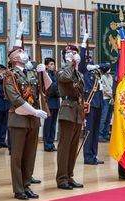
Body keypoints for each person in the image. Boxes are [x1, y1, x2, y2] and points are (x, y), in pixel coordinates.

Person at [3, 22, 49, 200]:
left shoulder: (31, 73)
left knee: (30, 155)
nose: (24, 53)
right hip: (19, 118)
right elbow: (16, 99)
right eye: (20, 51)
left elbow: (47, 89)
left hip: (32, 119)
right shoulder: (10, 74)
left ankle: (27, 184)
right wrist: (35, 111)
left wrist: (43, 72)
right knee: (18, 156)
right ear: (14, 58)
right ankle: (19, 189)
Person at [56, 44, 88, 190]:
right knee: (64, 147)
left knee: (73, 146)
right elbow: (66, 78)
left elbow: (81, 92)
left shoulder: (79, 74)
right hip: (67, 111)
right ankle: (62, 179)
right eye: (71, 53)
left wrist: (84, 109)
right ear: (66, 56)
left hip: (77, 111)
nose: (75, 55)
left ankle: (69, 176)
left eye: (76, 53)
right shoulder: (62, 71)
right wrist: (69, 63)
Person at [79, 33, 104, 165]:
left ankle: (94, 155)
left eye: (90, 59)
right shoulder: (83, 71)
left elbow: (106, 66)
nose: (89, 61)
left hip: (98, 104)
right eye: (87, 59)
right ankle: (88, 156)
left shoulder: (95, 71)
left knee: (95, 132)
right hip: (89, 104)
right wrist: (84, 42)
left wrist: (96, 67)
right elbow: (81, 59)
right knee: (88, 131)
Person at [43, 57, 60, 152]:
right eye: (50, 64)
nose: (53, 66)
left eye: (53, 64)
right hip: (49, 102)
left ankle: (51, 142)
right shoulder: (45, 75)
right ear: (46, 66)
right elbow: (50, 88)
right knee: (48, 124)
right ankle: (47, 144)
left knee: (53, 124)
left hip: (56, 101)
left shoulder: (55, 75)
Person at [98, 63, 113, 142]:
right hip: (105, 98)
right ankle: (100, 135)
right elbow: (103, 88)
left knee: (109, 117)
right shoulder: (101, 76)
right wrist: (111, 95)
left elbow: (112, 87)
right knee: (103, 117)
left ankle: (106, 134)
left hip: (111, 99)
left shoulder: (111, 77)